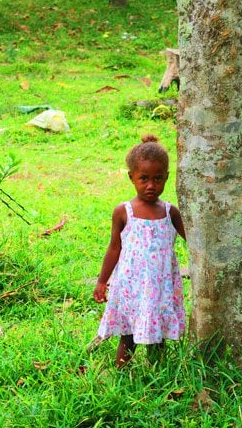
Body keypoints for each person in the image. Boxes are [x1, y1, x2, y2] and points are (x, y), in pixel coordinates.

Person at [93, 134, 186, 368]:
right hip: (132, 287)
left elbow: (194, 241)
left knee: (159, 336)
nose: (151, 185)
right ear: (131, 177)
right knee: (129, 335)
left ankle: (159, 372)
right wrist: (102, 281)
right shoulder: (124, 212)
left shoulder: (170, 212)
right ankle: (121, 371)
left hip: (160, 286)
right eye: (143, 178)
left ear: (166, 177)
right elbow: (114, 248)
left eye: (158, 178)